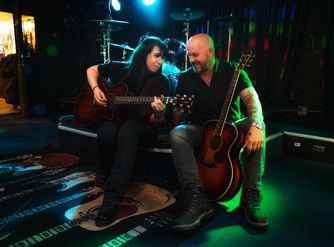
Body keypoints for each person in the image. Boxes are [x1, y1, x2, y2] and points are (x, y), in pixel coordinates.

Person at [169, 33, 267, 232]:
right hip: (201, 129)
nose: (192, 60)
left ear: (210, 52)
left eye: (196, 55)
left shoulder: (233, 69)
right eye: (190, 55)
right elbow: (175, 120)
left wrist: (257, 125)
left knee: (257, 125)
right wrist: (169, 108)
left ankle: (251, 195)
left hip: (232, 127)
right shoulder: (186, 77)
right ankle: (196, 198)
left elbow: (251, 99)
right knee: (177, 133)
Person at [86, 36, 169, 227]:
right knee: (106, 131)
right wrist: (96, 89)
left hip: (143, 127)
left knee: (129, 129)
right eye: (157, 55)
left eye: (162, 57)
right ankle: (104, 168)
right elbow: (91, 70)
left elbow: (154, 121)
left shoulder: (162, 82)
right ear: (143, 55)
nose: (160, 61)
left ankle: (111, 201)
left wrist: (158, 113)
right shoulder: (122, 69)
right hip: (118, 122)